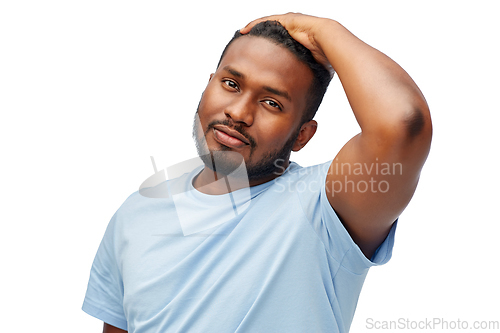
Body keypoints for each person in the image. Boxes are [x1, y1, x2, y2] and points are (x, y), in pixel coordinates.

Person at [83, 13, 432, 333]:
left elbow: (403, 123)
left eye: (272, 103)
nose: (238, 112)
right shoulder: (135, 214)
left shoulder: (325, 209)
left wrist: (324, 30)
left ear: (302, 135)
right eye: (231, 84)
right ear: (208, 84)